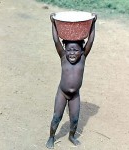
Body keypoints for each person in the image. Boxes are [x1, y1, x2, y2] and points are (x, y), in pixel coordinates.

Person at [46, 12, 97, 149]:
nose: (72, 53)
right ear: (64, 51)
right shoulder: (63, 56)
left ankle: (72, 136)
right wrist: (53, 23)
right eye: (69, 50)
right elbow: (57, 40)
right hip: (62, 93)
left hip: (75, 95)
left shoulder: (83, 58)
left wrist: (93, 23)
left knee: (75, 118)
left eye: (75, 50)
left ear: (81, 51)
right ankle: (51, 137)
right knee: (57, 116)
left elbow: (90, 41)